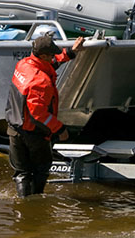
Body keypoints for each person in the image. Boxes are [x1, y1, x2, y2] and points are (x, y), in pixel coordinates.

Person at [5, 34, 85, 197]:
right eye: (50, 55)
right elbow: (38, 114)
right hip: (34, 134)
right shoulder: (41, 82)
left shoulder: (23, 65)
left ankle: (22, 210)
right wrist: (60, 129)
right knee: (40, 171)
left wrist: (70, 53)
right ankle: (34, 206)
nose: (53, 57)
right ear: (43, 56)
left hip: (14, 129)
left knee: (22, 173)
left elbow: (48, 65)